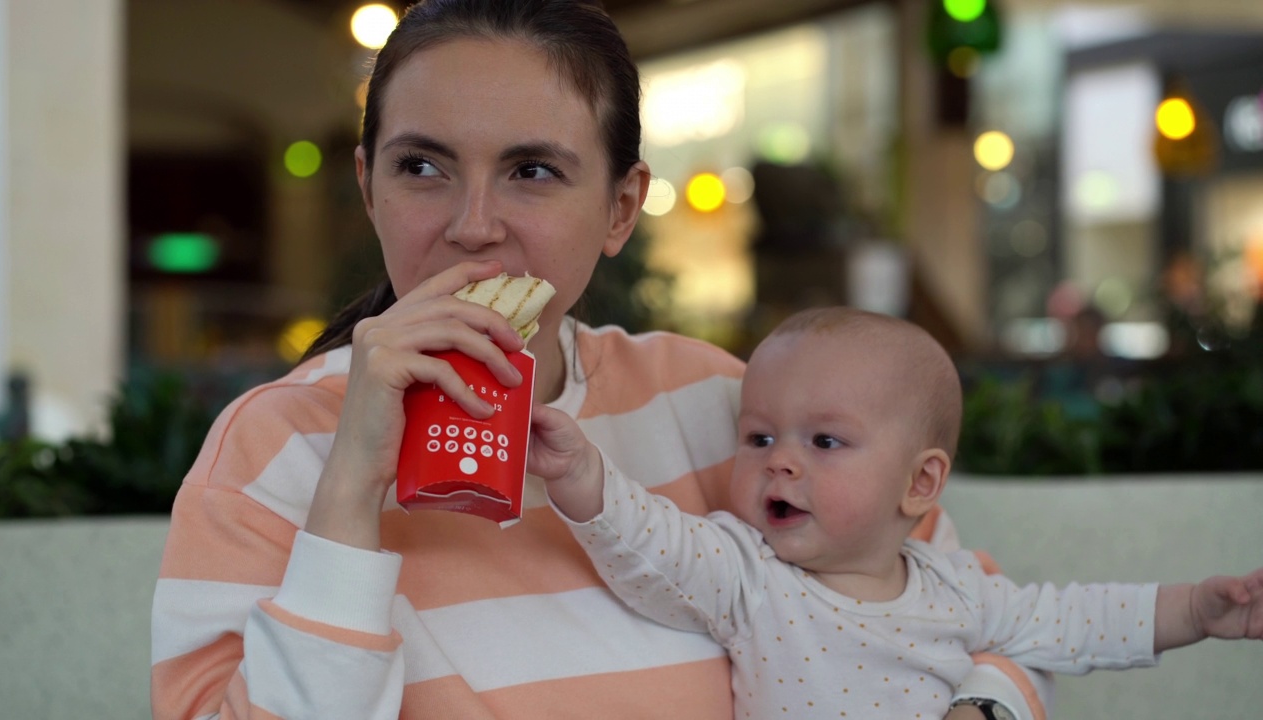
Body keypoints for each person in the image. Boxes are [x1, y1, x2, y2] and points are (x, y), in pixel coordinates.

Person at [150, 2, 1052, 718]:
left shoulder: (725, 408)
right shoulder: (273, 448)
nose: (471, 225)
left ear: (621, 209)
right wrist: (350, 487)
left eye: (531, 172)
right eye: (422, 167)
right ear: (368, 187)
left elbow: (987, 627)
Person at [530, 305, 1263, 719]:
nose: (780, 460)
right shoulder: (747, 573)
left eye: (824, 441)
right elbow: (654, 547)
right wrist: (586, 474)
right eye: (758, 437)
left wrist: (1197, 612)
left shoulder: (957, 587)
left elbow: (1076, 623)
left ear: (920, 485)